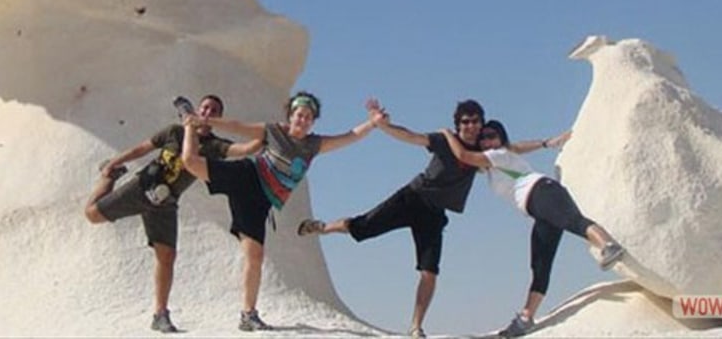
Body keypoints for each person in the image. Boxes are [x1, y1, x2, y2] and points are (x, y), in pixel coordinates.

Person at [180, 91, 382, 332]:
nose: (302, 120)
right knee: (191, 162)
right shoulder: (274, 131)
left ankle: (248, 314)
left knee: (255, 256)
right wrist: (202, 121)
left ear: (313, 121)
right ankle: (187, 124)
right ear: (291, 115)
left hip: (261, 201)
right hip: (247, 176)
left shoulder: (313, 144)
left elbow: (348, 137)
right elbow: (237, 126)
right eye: (299, 115)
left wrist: (372, 123)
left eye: (308, 117)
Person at [297, 99, 487, 339]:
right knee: (363, 226)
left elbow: (509, 151)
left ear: (481, 124)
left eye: (475, 121)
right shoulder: (444, 140)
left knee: (429, 271)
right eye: (465, 122)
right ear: (458, 125)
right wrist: (384, 126)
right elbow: (413, 137)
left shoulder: (482, 152)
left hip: (435, 214)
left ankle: (416, 326)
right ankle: (324, 227)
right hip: (412, 198)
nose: (470, 126)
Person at [84, 94, 262, 333]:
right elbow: (142, 148)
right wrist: (114, 163)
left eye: (214, 111)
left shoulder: (214, 146)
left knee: (166, 256)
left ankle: (160, 314)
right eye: (205, 107)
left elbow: (241, 150)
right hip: (142, 187)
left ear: (218, 118)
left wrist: (266, 136)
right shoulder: (174, 132)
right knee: (92, 215)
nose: (208, 112)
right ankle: (109, 179)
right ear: (198, 110)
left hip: (166, 202)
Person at [440, 120, 626, 338]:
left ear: (501, 138)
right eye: (483, 137)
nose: (487, 140)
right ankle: (526, 319)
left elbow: (464, 156)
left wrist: (446, 134)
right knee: (540, 263)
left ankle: (608, 246)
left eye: (492, 135)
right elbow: (518, 147)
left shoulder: (498, 154)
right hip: (537, 209)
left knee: (572, 221)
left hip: (542, 192)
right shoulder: (495, 161)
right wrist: (548, 142)